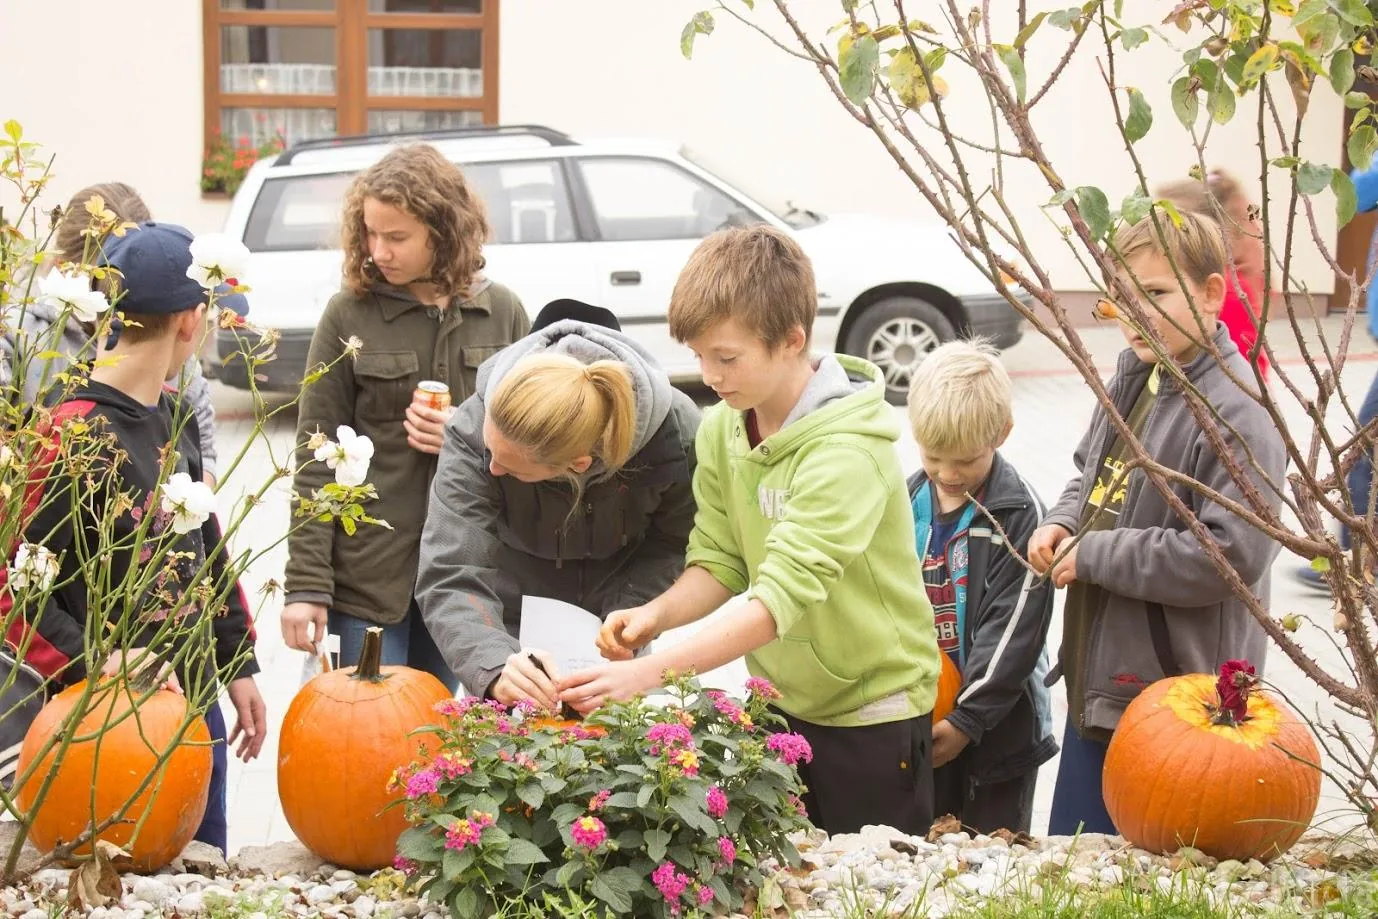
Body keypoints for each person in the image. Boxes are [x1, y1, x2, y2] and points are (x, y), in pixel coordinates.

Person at [557, 225, 943, 836]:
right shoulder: (723, 428)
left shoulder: (847, 452)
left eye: (727, 357)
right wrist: (655, 616)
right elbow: (721, 560)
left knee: (868, 892)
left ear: (792, 341)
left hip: (872, 713)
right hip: (781, 704)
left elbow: (776, 600)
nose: (709, 375)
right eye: (699, 356)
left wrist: (645, 675)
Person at [3, 222, 267, 853]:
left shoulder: (175, 415)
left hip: (192, 701)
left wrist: (239, 664)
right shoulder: (68, 435)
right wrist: (99, 660)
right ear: (190, 319)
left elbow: (204, 546)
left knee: (200, 865)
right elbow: (12, 594)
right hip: (98, 722)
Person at [1030, 210, 1285, 835]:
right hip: (1105, 689)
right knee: (1080, 874)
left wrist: (1095, 555)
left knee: (1148, 882)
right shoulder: (1135, 376)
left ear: (1211, 293)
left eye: (1157, 293)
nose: (1135, 313)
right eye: (1121, 297)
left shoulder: (1237, 411)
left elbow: (1227, 557)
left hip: (1181, 713)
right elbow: (1090, 473)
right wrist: (1065, 522)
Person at [281, 144, 529, 688]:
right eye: (370, 233)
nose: (378, 251)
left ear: (442, 233)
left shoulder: (503, 312)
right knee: (359, 738)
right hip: (367, 580)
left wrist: (469, 438)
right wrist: (305, 586)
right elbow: (314, 455)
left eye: (396, 237)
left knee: (435, 746)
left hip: (464, 576)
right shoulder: (347, 313)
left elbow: (537, 446)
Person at [415, 299, 700, 704]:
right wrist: (494, 664)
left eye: (514, 470)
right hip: (503, 621)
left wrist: (631, 618)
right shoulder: (474, 426)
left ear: (578, 466)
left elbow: (674, 543)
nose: (493, 469)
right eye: (491, 453)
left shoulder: (675, 434)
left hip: (616, 628)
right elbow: (452, 567)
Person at [905, 339, 1057, 835]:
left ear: (1003, 434)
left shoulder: (1019, 514)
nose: (947, 475)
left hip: (1000, 722)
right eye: (934, 457)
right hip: (928, 712)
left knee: (993, 849)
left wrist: (969, 718)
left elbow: (1013, 630)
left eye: (965, 461)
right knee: (929, 842)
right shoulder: (906, 499)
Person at [0, 182, 230, 482]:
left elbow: (204, 455)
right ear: (62, 267)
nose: (118, 293)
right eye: (102, 277)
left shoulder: (170, 345)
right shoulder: (20, 338)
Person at [1156, 169, 1269, 381]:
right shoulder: (1229, 291)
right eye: (1248, 219)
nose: (1257, 228)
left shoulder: (1207, 285)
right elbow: (1251, 377)